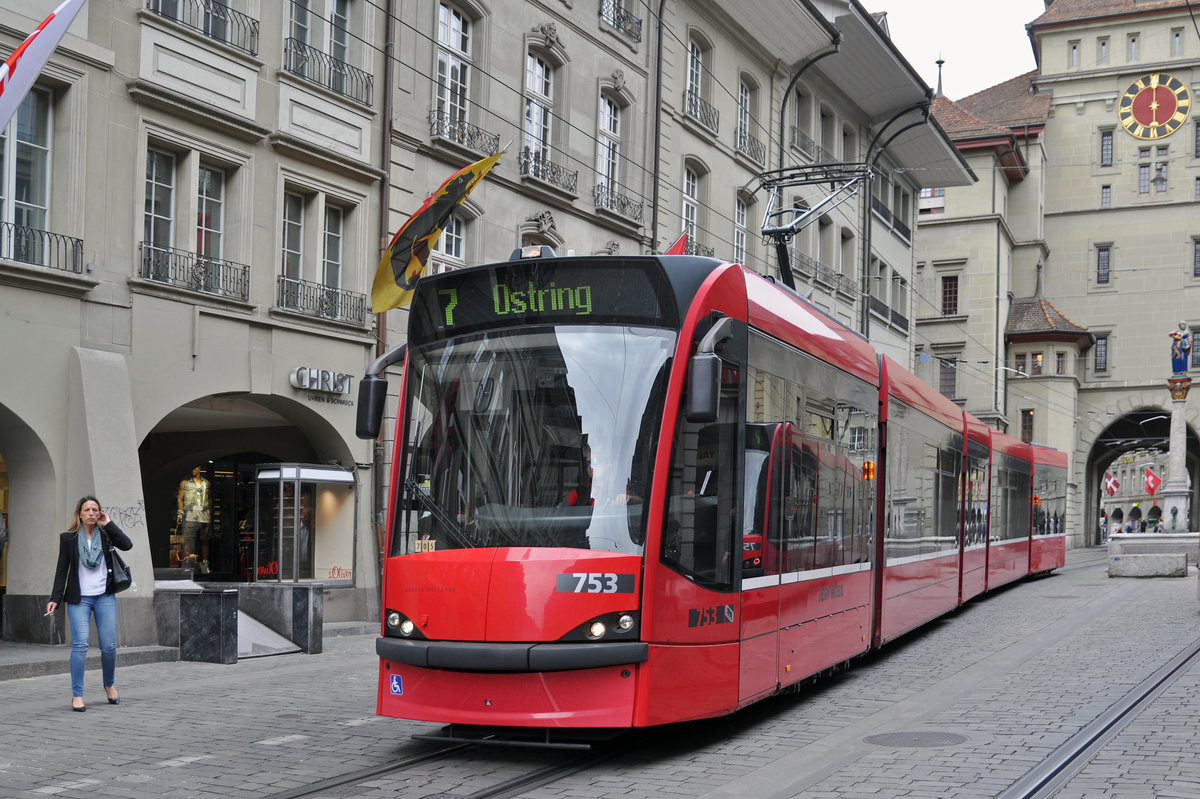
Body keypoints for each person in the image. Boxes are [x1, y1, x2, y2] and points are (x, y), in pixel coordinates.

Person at [46, 496, 133, 712]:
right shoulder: (68, 538)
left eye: (96, 510)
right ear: (80, 514)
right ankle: (77, 695)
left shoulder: (105, 535)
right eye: (87, 510)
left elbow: (127, 545)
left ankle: (109, 684)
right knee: (81, 644)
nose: (92, 513)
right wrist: (54, 598)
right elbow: (61, 570)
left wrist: (109, 523)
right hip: (79, 599)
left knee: (109, 646)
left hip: (104, 596)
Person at [177, 465, 210, 568]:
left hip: (204, 513)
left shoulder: (206, 483)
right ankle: (187, 562)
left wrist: (210, 515)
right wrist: (180, 513)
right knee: (188, 539)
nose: (193, 470)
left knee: (204, 539)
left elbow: (209, 500)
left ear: (199, 468)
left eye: (195, 468)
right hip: (191, 513)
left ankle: (205, 564)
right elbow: (180, 498)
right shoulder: (185, 483)